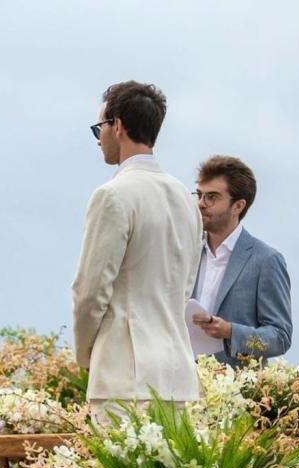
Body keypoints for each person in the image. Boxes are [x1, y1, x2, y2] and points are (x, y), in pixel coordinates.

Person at [72, 81, 203, 421]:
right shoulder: (187, 200)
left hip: (123, 376)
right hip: (176, 373)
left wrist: (87, 355)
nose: (99, 137)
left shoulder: (113, 195)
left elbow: (90, 291)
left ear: (117, 126)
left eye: (99, 127)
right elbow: (184, 287)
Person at [191, 155, 292, 366]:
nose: (200, 204)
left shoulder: (267, 261)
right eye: (199, 195)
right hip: (179, 389)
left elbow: (280, 338)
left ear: (238, 206)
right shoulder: (185, 251)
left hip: (237, 394)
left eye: (212, 197)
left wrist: (230, 332)